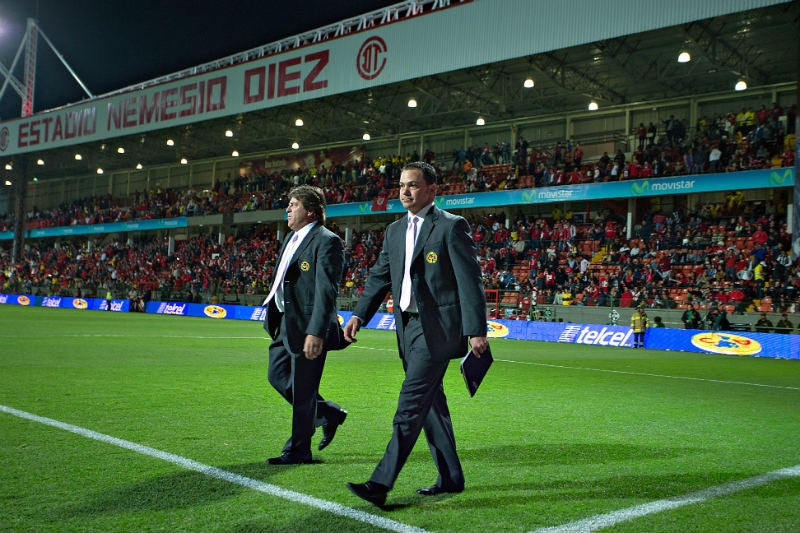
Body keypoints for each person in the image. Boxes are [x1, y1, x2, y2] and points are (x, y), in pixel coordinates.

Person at [342, 161, 489, 507]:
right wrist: (359, 315)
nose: (404, 191)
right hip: (404, 328)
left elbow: (471, 282)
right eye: (401, 186)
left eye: (412, 185)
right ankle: (451, 477)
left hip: (435, 331)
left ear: (431, 190)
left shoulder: (452, 226)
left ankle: (380, 483)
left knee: (409, 406)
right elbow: (380, 277)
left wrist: (476, 331)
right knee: (431, 407)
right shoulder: (394, 231)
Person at [262, 185, 349, 465]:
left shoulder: (327, 241)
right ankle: (328, 413)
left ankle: (298, 450)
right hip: (287, 322)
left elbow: (326, 291)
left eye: (293, 204)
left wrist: (316, 331)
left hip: (310, 327)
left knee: (303, 390)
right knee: (276, 375)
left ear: (310, 210)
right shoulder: (291, 238)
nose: (288, 209)